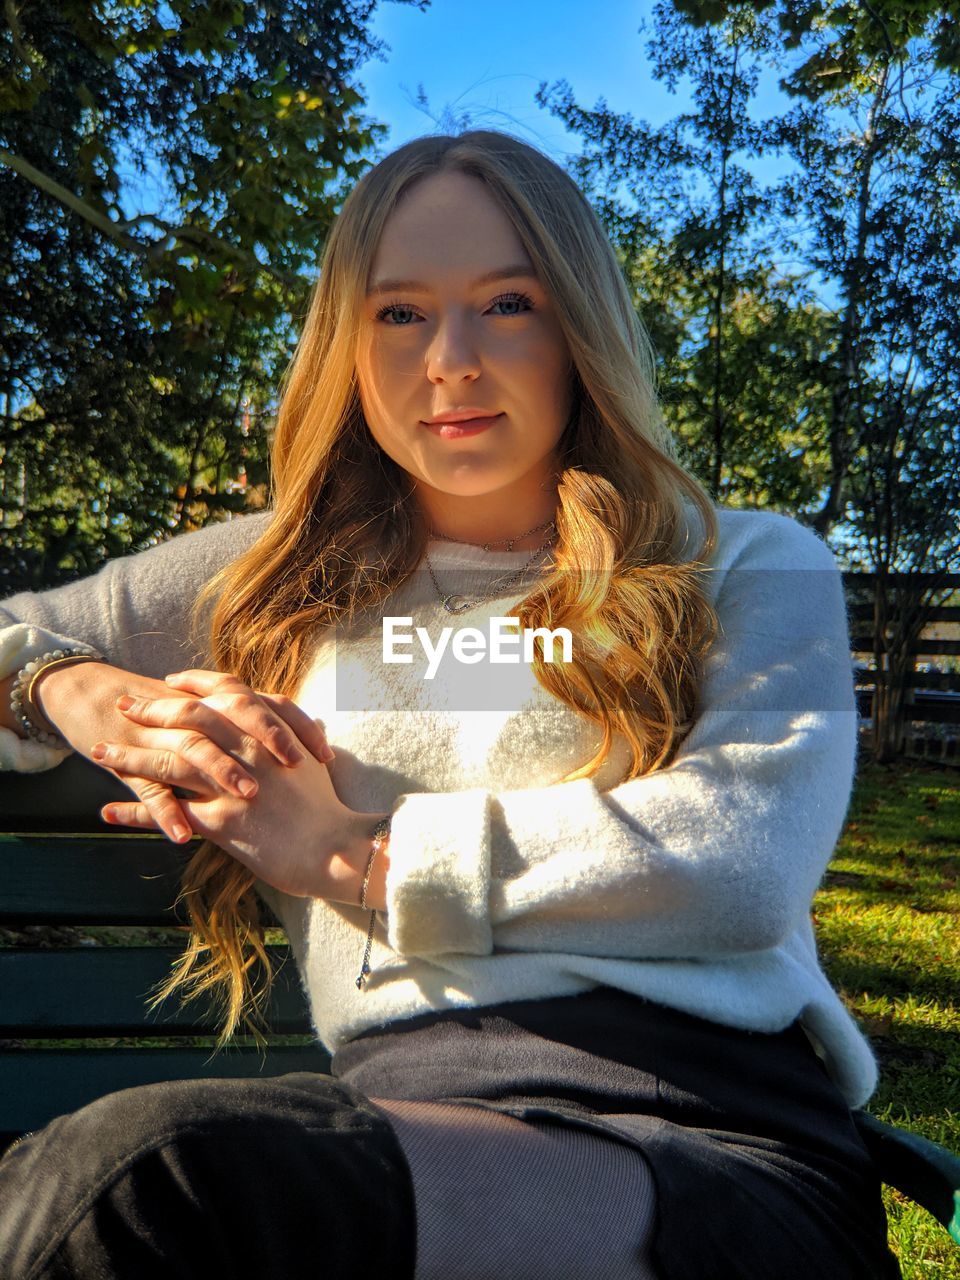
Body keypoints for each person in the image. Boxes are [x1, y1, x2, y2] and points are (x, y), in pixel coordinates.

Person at [0, 129, 901, 1280]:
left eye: (508, 303)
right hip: (412, 1126)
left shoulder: (742, 563)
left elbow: (739, 858)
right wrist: (64, 682)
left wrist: (348, 854)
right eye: (401, 313)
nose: (452, 361)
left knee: (142, 1180)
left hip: (702, 1134)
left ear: (578, 326)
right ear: (348, 344)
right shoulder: (271, 579)